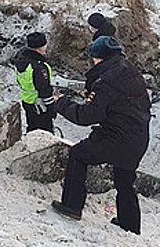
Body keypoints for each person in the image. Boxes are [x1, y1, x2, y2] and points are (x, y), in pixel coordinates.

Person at [51, 36, 150, 235]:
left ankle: (71, 206)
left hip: (115, 138)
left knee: (79, 155)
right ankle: (130, 225)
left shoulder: (105, 81)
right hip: (139, 137)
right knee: (125, 181)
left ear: (99, 58)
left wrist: (61, 103)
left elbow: (86, 116)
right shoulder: (129, 70)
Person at [13, 32, 55, 133]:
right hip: (40, 105)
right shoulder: (39, 67)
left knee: (32, 127)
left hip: (27, 101)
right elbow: (44, 90)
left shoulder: (20, 59)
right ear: (39, 47)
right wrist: (51, 109)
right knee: (45, 132)